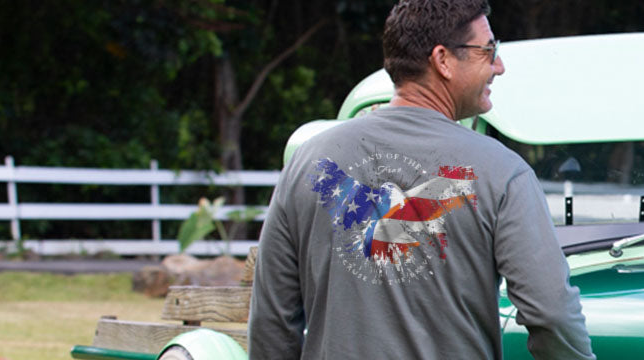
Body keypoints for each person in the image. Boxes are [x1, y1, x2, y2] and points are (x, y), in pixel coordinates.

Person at [249, 0, 593, 358]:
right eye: (488, 50)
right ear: (442, 60)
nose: (499, 66)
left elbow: (272, 322)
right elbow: (552, 315)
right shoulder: (502, 172)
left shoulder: (308, 162)